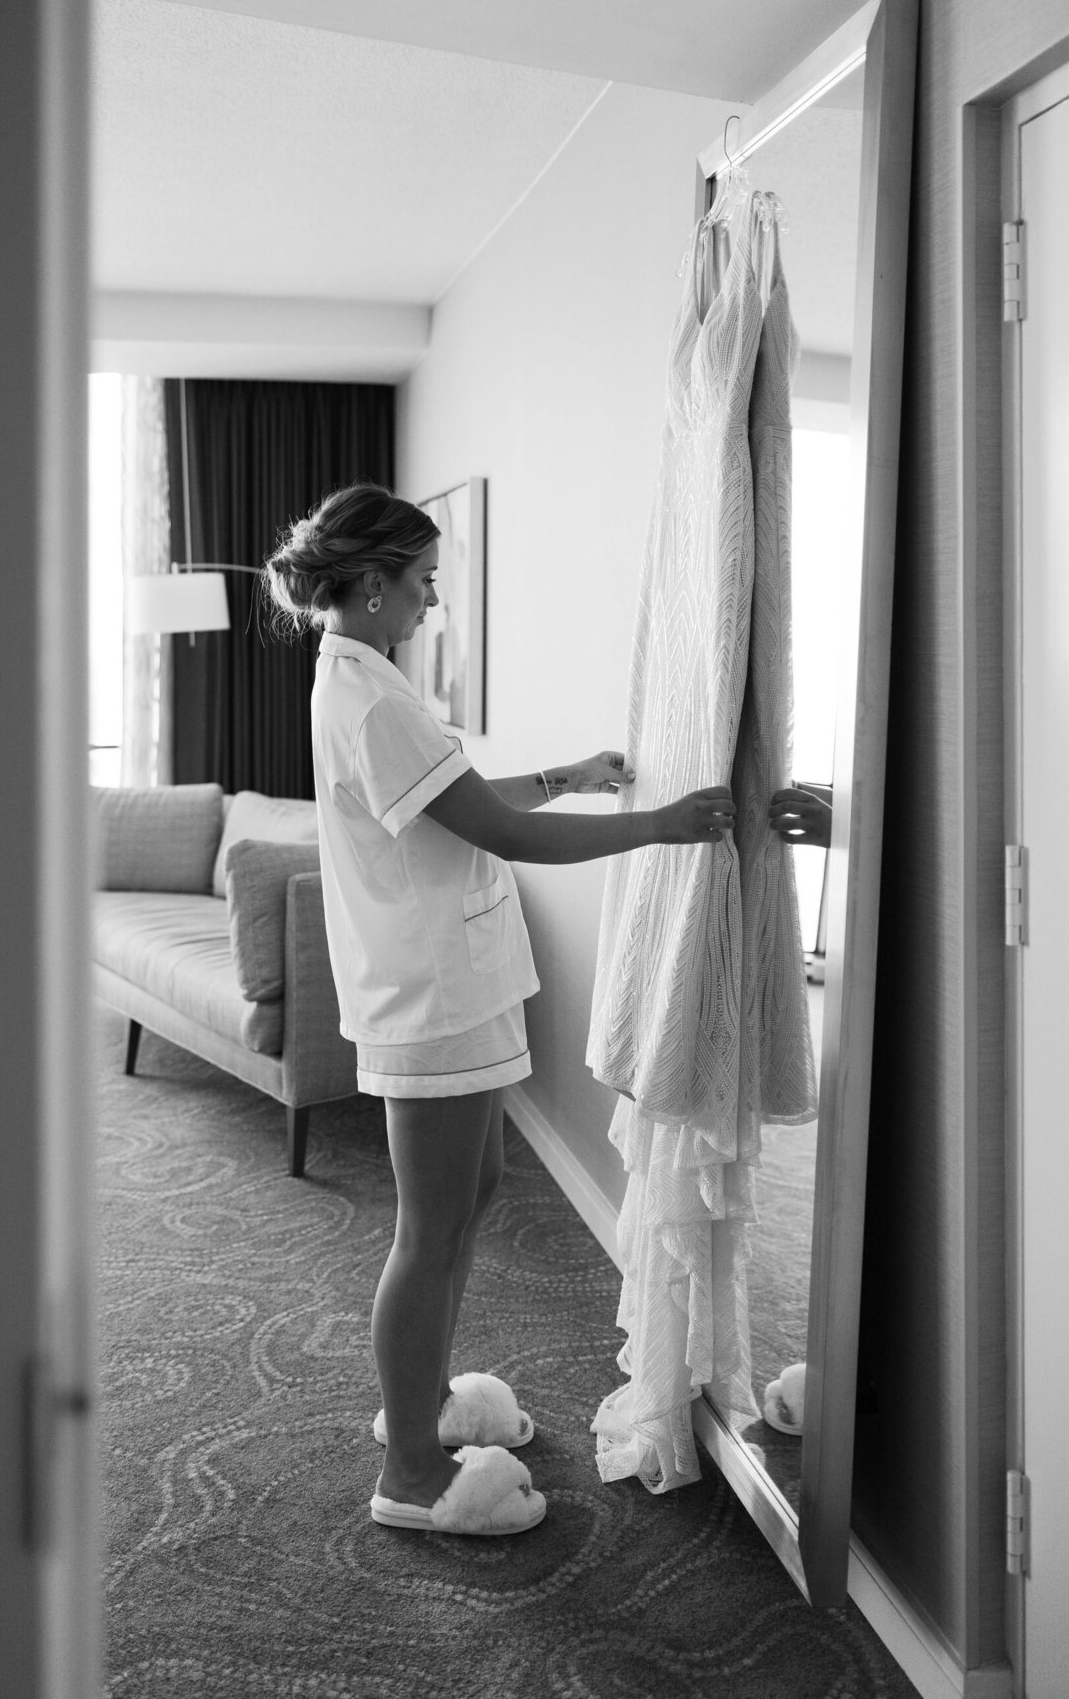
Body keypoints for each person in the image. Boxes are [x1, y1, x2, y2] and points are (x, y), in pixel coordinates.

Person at [265, 482, 735, 1539]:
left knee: (468, 1193)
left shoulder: (364, 682)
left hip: (447, 984)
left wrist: (571, 773)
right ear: (376, 587)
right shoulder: (370, 697)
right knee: (428, 1231)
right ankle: (412, 1473)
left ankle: (423, 1408)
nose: (433, 602)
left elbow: (463, 803)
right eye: (425, 583)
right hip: (427, 993)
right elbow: (500, 836)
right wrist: (660, 824)